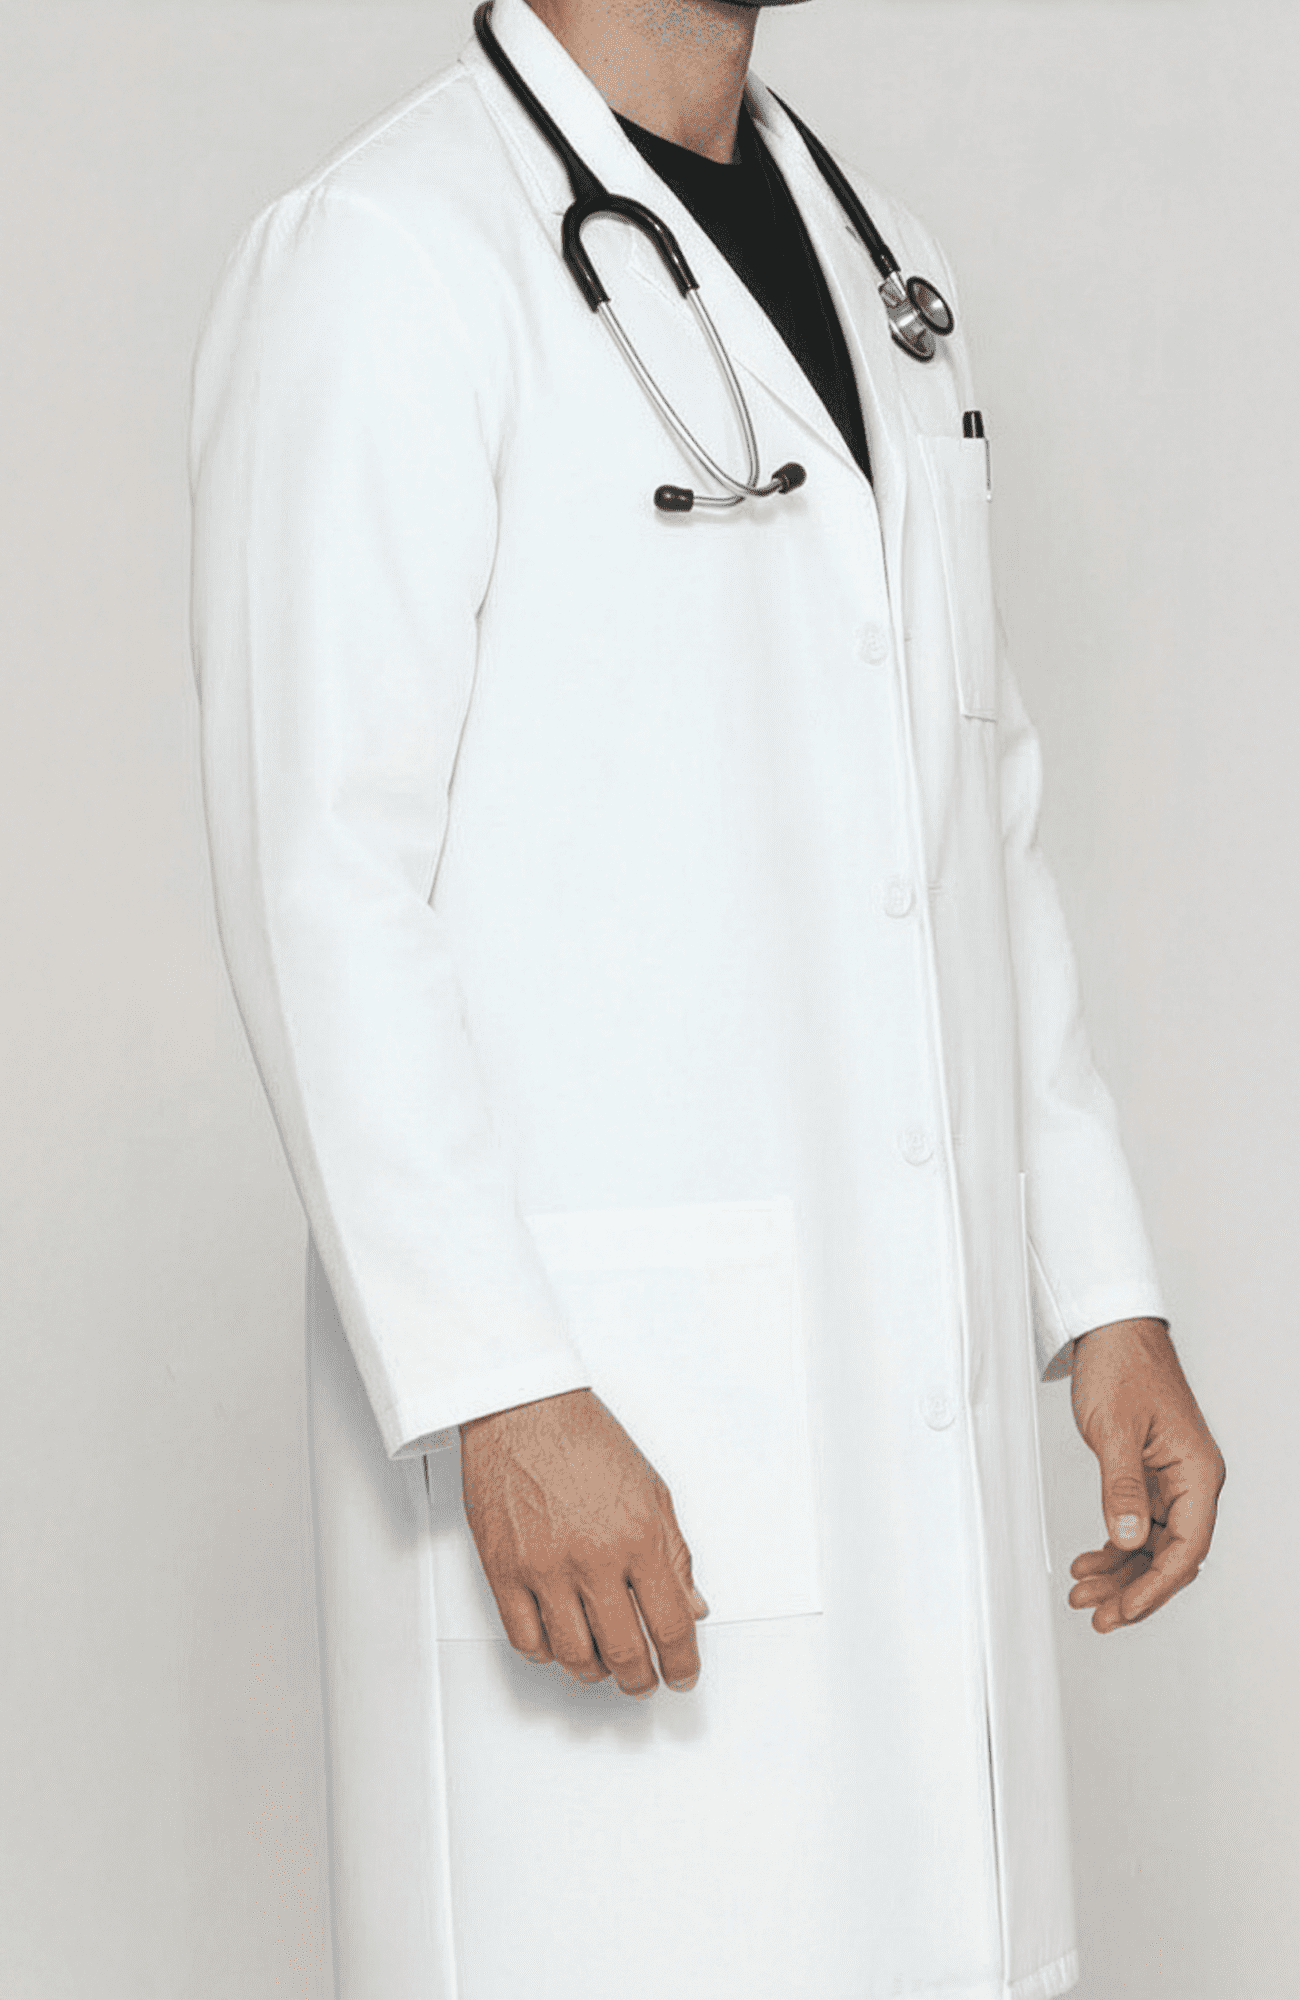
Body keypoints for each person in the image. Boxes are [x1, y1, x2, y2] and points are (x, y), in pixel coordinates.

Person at [187, 0, 1227, 1995]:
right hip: (602, 1399)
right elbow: (317, 875)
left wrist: (1097, 1288)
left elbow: (972, 805)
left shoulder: (880, 262)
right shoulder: (386, 255)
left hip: (891, 1401)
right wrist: (496, 1378)